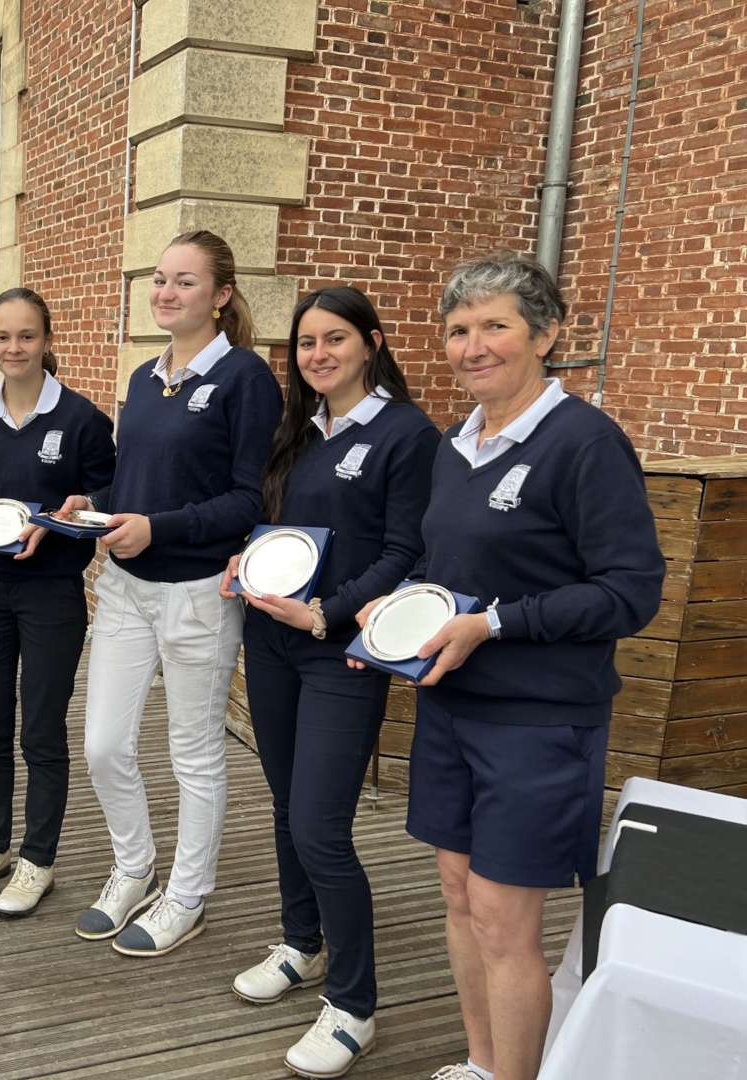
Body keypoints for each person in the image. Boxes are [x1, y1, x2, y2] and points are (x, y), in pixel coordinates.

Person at [351, 252, 663, 1080]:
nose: (471, 345)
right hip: (452, 706)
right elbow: (440, 562)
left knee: (501, 917)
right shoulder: (457, 445)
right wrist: (402, 603)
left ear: (547, 333)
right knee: (457, 894)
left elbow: (631, 593)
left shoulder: (585, 443)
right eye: (457, 330)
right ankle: (484, 1064)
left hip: (539, 718)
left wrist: (494, 623)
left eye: (495, 325)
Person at [221, 287, 439, 1078]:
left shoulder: (406, 434)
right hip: (273, 640)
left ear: (372, 342)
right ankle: (301, 942)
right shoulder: (300, 432)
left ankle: (353, 1005)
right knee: (286, 805)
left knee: (320, 825)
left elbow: (404, 551)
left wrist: (329, 616)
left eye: (334, 339)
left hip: (340, 652)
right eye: (306, 343)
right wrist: (248, 560)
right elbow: (283, 530)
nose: (318, 355)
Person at [63, 230, 281, 956]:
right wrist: (91, 503)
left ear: (221, 296)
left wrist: (156, 527)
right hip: (125, 587)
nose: (165, 292)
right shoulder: (143, 376)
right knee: (102, 746)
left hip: (197, 592)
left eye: (184, 281)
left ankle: (187, 894)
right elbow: (134, 480)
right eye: (160, 279)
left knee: (193, 754)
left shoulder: (247, 378)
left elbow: (247, 502)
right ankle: (133, 867)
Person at [0, 288, 116, 917]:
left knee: (41, 730)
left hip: (51, 592)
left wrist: (74, 511)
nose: (13, 348)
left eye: (26, 336)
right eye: (2, 337)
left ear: (47, 340)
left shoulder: (81, 419)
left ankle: (38, 858)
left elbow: (104, 493)